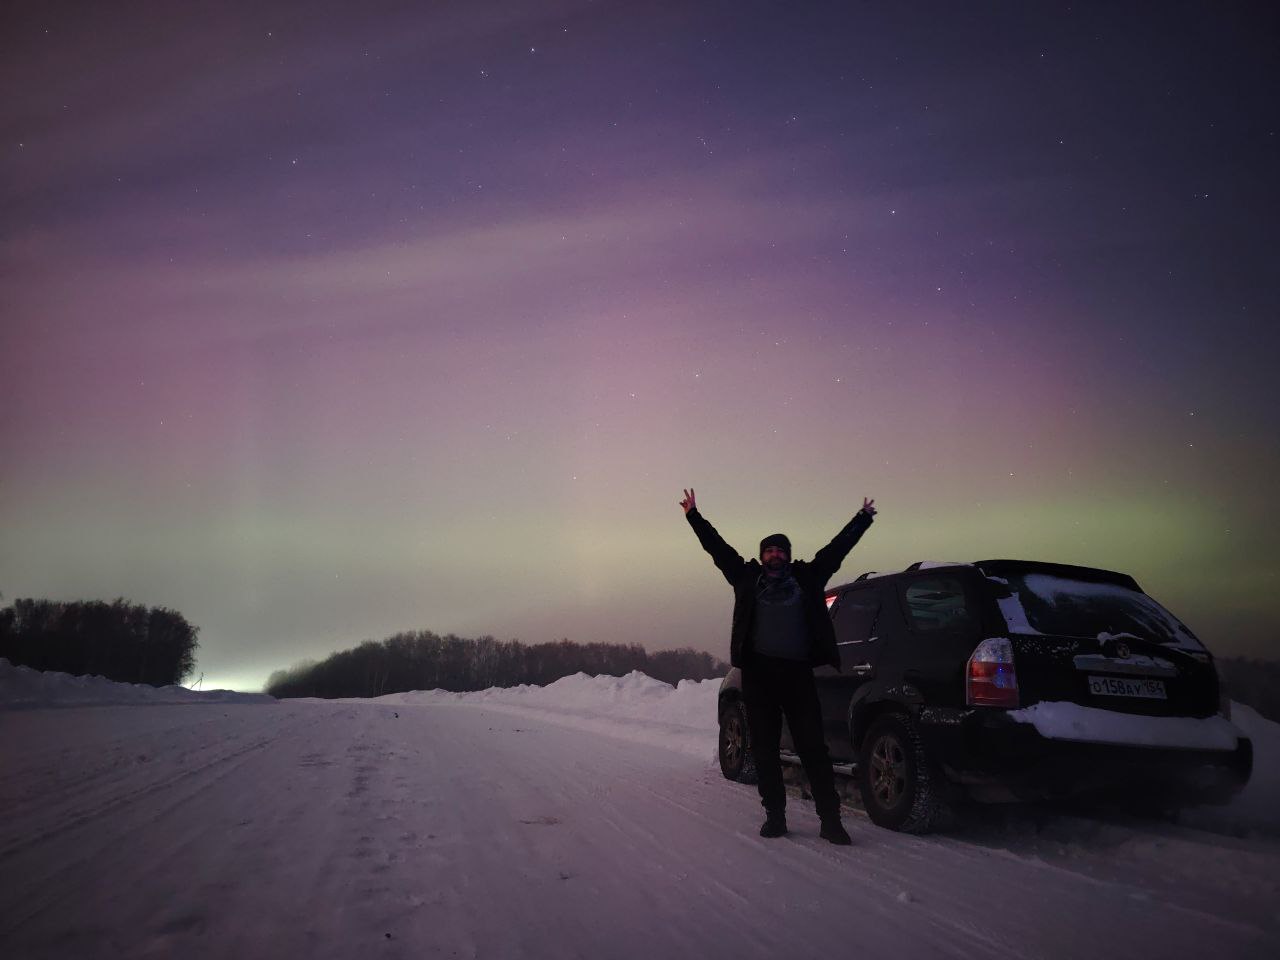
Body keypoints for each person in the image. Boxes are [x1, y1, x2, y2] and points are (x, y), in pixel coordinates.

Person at [680, 487, 876, 844]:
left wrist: (861, 520)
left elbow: (836, 551)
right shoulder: (745, 579)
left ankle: (830, 820)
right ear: (762, 555)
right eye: (769, 550)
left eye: (780, 550)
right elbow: (717, 549)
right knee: (765, 748)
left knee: (813, 748)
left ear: (788, 555)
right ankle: (775, 816)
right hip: (758, 677)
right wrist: (694, 516)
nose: (774, 555)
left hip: (798, 675)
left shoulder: (807, 578)